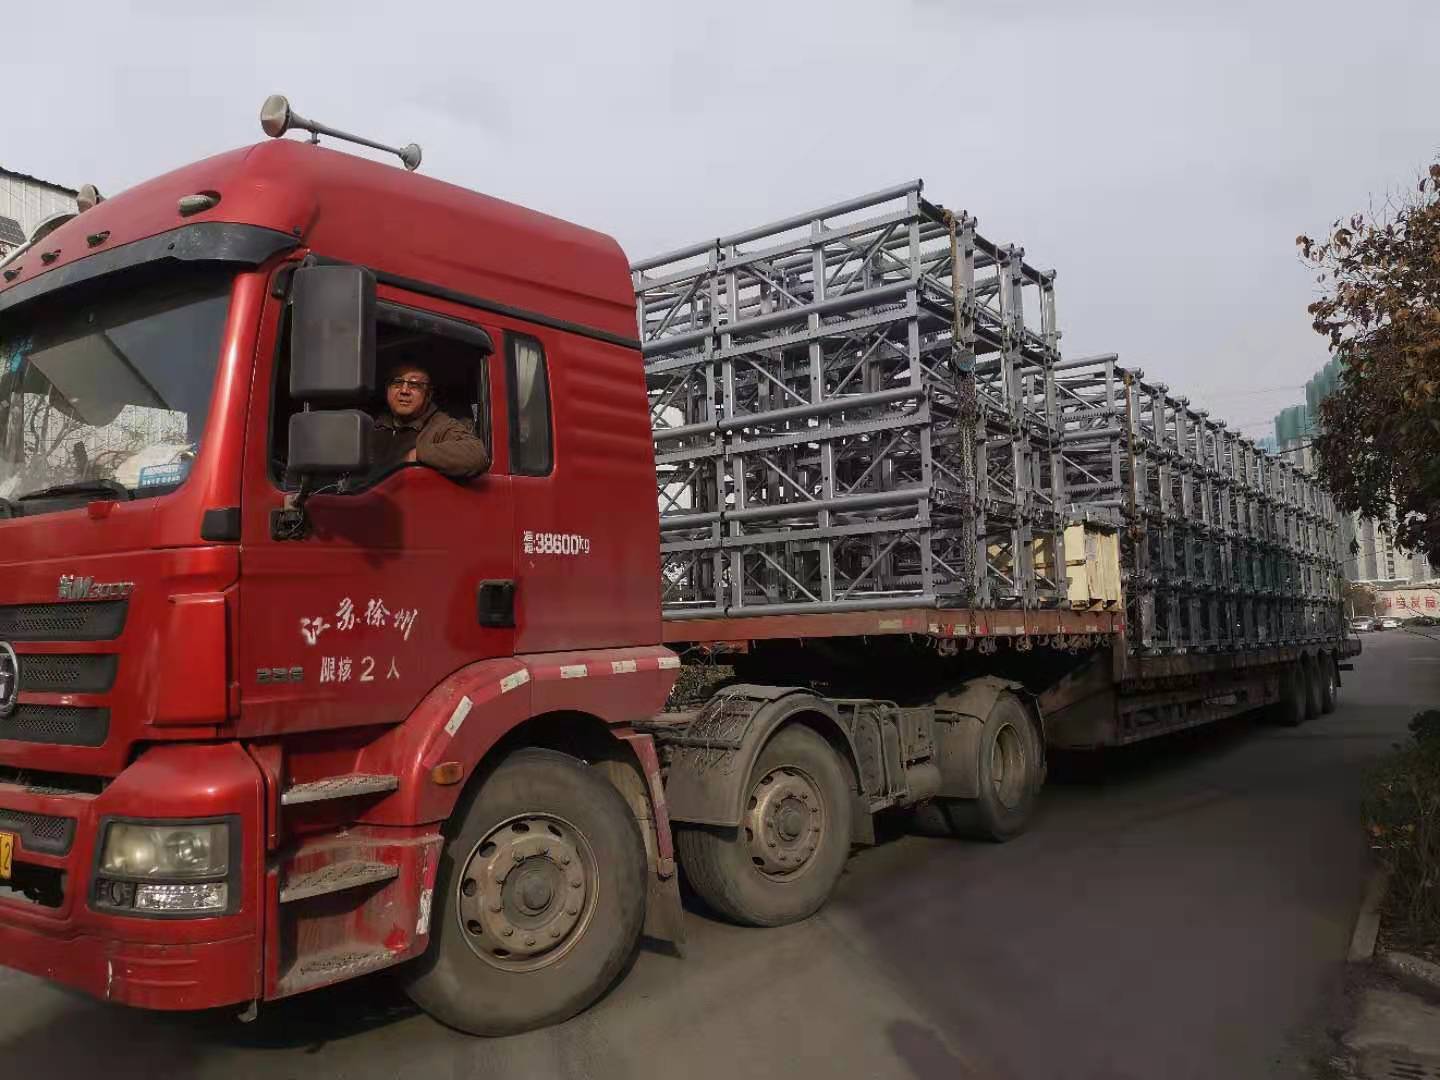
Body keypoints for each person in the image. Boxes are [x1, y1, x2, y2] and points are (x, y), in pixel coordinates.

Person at [370, 360, 490, 479]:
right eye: (397, 383)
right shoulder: (372, 424)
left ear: (428, 395)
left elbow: (477, 455)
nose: (404, 391)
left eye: (414, 385)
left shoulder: (440, 426)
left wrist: (417, 454)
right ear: (387, 389)